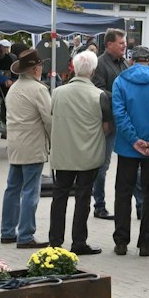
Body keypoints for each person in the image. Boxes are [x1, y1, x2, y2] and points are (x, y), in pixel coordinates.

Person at [110, 45, 149, 257]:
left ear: (131, 60)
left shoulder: (120, 81)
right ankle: (146, 242)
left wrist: (134, 140)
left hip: (127, 147)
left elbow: (119, 114)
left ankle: (121, 241)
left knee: (122, 193)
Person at [47, 50, 107, 254]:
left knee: (59, 197)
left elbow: (52, 115)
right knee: (83, 198)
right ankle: (79, 242)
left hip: (63, 154)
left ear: (74, 68)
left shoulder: (57, 92)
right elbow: (107, 128)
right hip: (88, 155)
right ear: (93, 71)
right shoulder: (99, 95)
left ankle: (55, 241)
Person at [0, 50, 52, 248]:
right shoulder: (38, 90)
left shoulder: (13, 88)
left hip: (15, 144)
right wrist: (54, 142)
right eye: (41, 66)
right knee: (30, 191)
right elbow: (49, 119)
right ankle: (26, 235)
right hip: (33, 145)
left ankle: (7, 232)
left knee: (12, 188)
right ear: (35, 69)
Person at [90, 29, 129, 220]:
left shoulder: (124, 63)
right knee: (102, 167)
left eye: (125, 43)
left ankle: (142, 205)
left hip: (125, 122)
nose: (125, 46)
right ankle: (99, 206)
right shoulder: (99, 64)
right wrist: (121, 99)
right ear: (109, 44)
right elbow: (98, 92)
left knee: (133, 164)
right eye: (121, 43)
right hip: (108, 123)